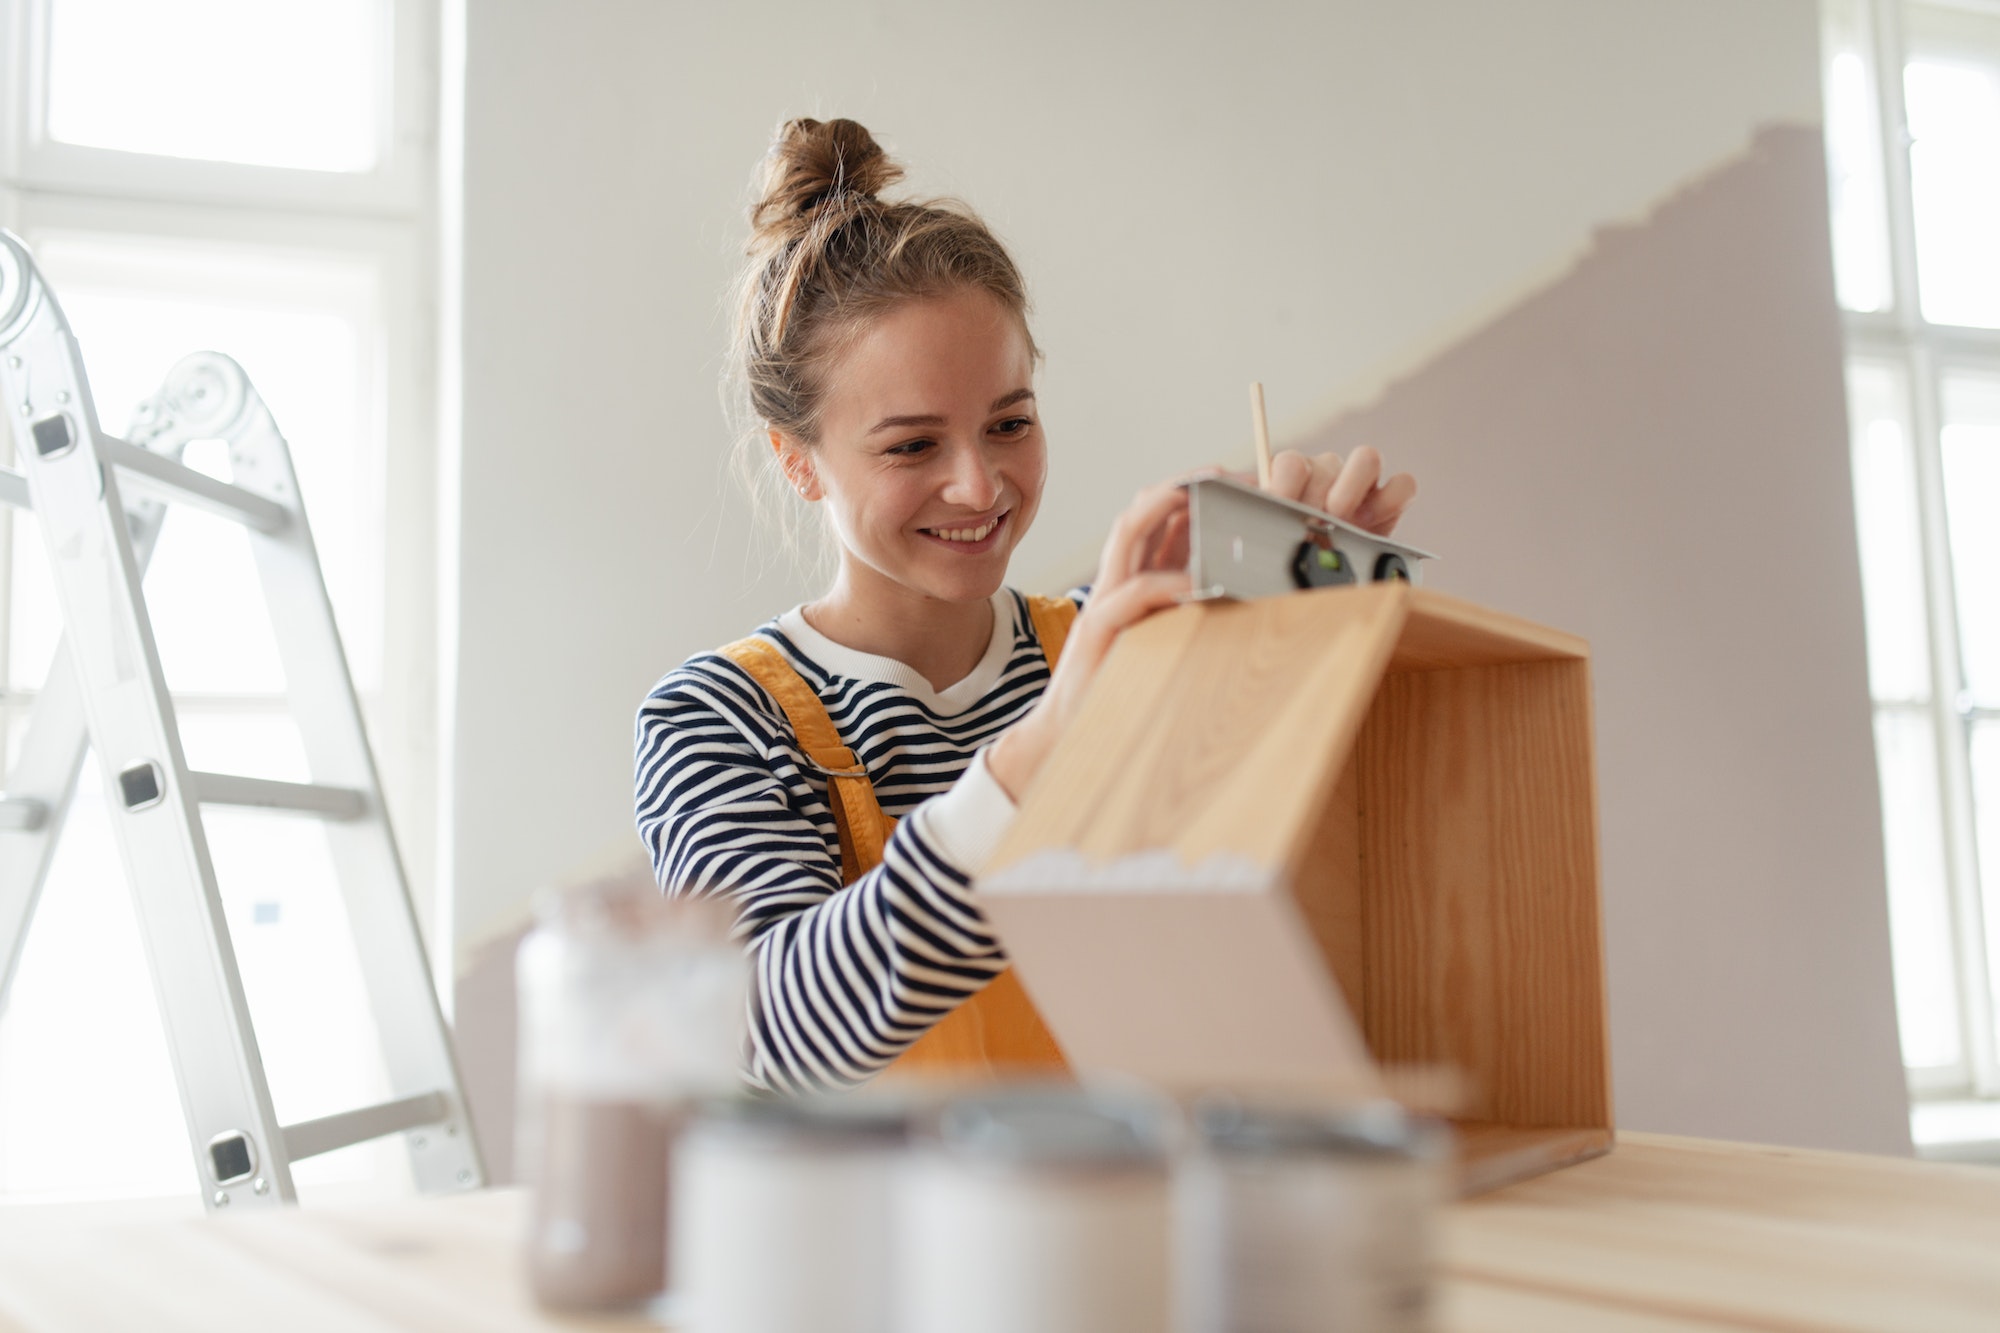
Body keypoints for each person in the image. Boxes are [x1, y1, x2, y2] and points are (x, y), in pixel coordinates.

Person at [634, 118, 1415, 1093]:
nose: (979, 485)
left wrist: (1320, 605)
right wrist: (1044, 748)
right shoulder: (714, 721)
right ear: (797, 461)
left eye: (1009, 423)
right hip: (884, 1240)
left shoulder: (1128, 636)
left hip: (1135, 1215)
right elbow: (770, 1032)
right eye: (911, 446)